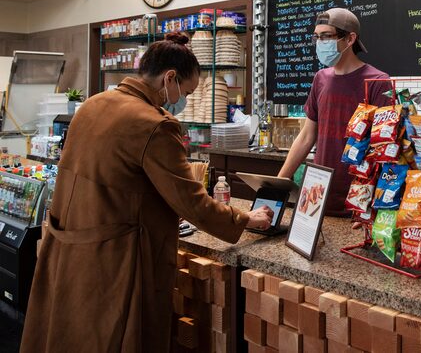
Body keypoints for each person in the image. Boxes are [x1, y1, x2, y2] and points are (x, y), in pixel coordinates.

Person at [20, 33, 273, 353]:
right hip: (116, 265)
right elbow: (192, 203)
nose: (180, 99)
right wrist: (244, 218)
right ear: (170, 78)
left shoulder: (92, 104)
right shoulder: (154, 124)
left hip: (69, 254)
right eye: (186, 90)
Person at [278, 8, 392, 215]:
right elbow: (306, 136)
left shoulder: (378, 82)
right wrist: (278, 184)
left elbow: (384, 149)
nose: (320, 43)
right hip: (318, 192)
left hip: (359, 199)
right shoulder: (320, 79)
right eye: (317, 37)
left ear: (350, 39)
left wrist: (378, 205)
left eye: (326, 36)